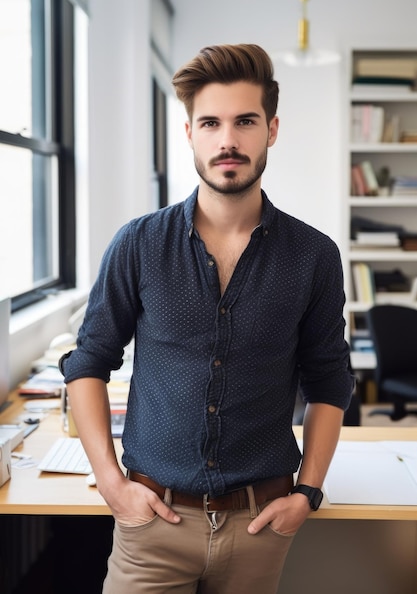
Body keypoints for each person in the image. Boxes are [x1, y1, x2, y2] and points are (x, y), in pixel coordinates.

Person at [60, 43, 353, 594]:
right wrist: (111, 485)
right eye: (210, 122)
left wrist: (307, 493)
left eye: (245, 121)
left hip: (260, 523)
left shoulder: (314, 256)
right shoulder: (140, 244)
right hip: (151, 524)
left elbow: (329, 381)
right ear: (189, 132)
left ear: (271, 129)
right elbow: (87, 364)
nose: (228, 140)